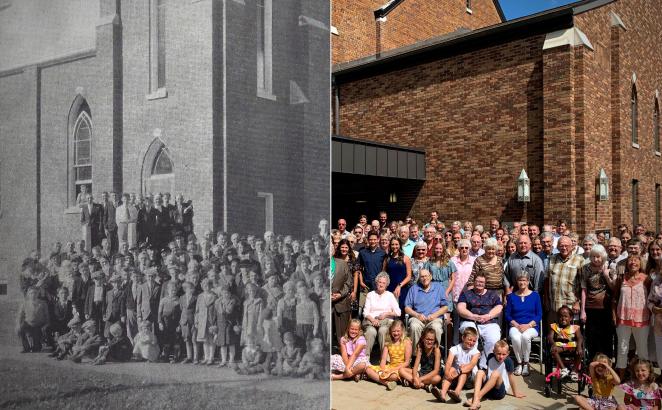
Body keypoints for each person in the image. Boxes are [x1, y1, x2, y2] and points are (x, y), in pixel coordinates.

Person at [613, 255, 651, 377]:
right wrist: (614, 316)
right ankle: (621, 376)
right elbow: (614, 299)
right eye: (630, 260)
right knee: (622, 348)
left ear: (641, 264)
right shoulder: (621, 279)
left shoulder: (647, 279)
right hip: (623, 319)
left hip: (642, 319)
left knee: (642, 350)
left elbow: (651, 298)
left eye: (636, 260)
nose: (633, 263)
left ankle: (643, 377)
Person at [457, 272, 502, 368]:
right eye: (477, 281)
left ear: (485, 283)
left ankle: (483, 365)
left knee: (494, 338)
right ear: (474, 282)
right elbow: (460, 308)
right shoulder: (466, 294)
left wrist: (488, 316)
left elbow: (499, 307)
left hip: (489, 322)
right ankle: (470, 365)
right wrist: (473, 316)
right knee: (471, 339)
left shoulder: (492, 294)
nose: (479, 284)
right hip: (470, 321)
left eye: (482, 282)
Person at [465, 340, 525, 409]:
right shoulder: (490, 357)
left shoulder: (508, 361)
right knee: (480, 372)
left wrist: (515, 392)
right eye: (498, 354)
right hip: (487, 389)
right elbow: (488, 371)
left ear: (508, 353)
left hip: (499, 391)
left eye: (503, 354)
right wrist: (481, 376)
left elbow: (511, 377)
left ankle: (476, 399)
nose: (501, 356)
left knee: (495, 373)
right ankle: (476, 399)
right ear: (494, 352)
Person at [579, 244, 615, 359]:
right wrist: (583, 311)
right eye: (593, 256)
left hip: (606, 308)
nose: (596, 259)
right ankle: (592, 363)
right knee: (592, 337)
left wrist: (606, 275)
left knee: (606, 337)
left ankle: (607, 364)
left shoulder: (609, 267)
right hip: (591, 307)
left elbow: (613, 288)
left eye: (598, 256)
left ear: (603, 256)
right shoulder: (585, 268)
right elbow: (583, 290)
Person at [505, 271, 542, 377]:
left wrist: (528, 325)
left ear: (528, 281)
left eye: (524, 280)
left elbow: (539, 314)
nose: (522, 282)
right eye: (520, 280)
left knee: (525, 337)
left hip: (531, 326)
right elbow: (507, 314)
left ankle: (526, 363)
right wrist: (516, 325)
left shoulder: (535, 296)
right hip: (515, 325)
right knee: (516, 338)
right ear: (517, 282)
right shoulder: (511, 296)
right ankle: (519, 363)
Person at [432, 326, 480, 403]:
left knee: (464, 371)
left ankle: (457, 392)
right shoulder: (455, 348)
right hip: (454, 377)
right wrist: (447, 373)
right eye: (469, 340)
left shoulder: (476, 352)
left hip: (469, 380)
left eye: (474, 341)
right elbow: (448, 363)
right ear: (463, 338)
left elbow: (470, 367)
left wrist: (458, 371)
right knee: (450, 369)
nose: (471, 343)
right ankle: (443, 394)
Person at [403, 268, 448, 348]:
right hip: (418, 318)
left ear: (430, 277)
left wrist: (434, 315)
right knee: (414, 326)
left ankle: (434, 354)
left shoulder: (438, 288)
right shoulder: (414, 289)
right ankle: (415, 355)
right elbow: (407, 308)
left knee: (436, 328)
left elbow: (445, 307)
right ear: (419, 279)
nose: (424, 278)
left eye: (426, 276)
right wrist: (417, 315)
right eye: (422, 277)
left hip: (434, 318)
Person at [545, 236, 584, 323]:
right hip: (554, 305)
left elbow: (583, 284)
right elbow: (547, 280)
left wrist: (578, 302)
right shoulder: (552, 259)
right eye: (561, 246)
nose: (564, 248)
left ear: (572, 246)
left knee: (571, 334)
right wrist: (546, 300)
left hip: (571, 306)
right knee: (554, 333)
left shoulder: (579, 260)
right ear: (558, 247)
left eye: (566, 245)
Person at [362, 272, 401, 360]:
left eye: (383, 283)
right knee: (371, 332)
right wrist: (373, 320)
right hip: (371, 322)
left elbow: (398, 312)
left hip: (386, 322)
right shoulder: (370, 295)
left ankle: (385, 359)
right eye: (379, 282)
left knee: (383, 330)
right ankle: (365, 359)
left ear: (387, 285)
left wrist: (386, 313)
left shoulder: (390, 295)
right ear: (376, 283)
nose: (381, 284)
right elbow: (365, 312)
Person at [365, 320, 412, 391]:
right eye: (394, 331)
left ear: (402, 331)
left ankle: (377, 378)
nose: (396, 333)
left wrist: (392, 370)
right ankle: (386, 383)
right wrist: (382, 369)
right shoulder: (388, 343)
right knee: (368, 369)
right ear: (390, 331)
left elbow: (407, 362)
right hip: (390, 366)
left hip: (401, 368)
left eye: (398, 331)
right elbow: (383, 360)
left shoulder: (406, 342)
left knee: (394, 376)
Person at [548, 305, 584, 380]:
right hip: (560, 346)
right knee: (553, 350)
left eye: (566, 316)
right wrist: (553, 344)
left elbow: (580, 337)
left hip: (572, 346)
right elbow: (550, 337)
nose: (563, 318)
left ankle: (574, 371)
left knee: (581, 352)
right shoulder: (554, 326)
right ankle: (564, 369)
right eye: (561, 316)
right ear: (558, 317)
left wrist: (579, 347)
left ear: (570, 318)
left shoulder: (575, 327)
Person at [451, 239, 476, 344]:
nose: (464, 249)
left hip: (469, 296)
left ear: (469, 249)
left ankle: (468, 345)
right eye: (462, 247)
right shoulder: (453, 260)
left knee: (468, 322)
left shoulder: (474, 260)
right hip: (455, 295)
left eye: (466, 247)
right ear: (459, 249)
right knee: (456, 322)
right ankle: (456, 344)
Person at [213, 283, 240, 367]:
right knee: (222, 344)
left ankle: (231, 360)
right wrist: (215, 326)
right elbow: (215, 315)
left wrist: (236, 325)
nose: (226, 295)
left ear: (230, 294)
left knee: (231, 343)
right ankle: (224, 360)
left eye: (227, 293)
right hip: (220, 325)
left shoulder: (233, 303)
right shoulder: (217, 303)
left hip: (229, 325)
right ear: (221, 293)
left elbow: (232, 314)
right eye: (224, 293)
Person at [16, 286, 49, 353]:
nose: (33, 295)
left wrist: (45, 326)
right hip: (28, 324)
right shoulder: (24, 303)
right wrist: (18, 325)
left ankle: (37, 346)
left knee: (36, 349)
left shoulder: (43, 303)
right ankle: (26, 347)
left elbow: (47, 317)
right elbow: (20, 316)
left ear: (38, 294)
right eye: (31, 293)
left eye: (35, 293)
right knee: (20, 329)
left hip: (39, 325)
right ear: (28, 294)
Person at [332, 243, 354, 343]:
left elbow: (349, 282)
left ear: (333, 250)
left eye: (332, 248)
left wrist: (340, 294)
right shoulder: (317, 264)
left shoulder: (342, 263)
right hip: (324, 304)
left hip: (341, 302)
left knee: (342, 336)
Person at [383, 237, 412, 307]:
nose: (394, 246)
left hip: (402, 288)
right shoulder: (387, 259)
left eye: (396, 244)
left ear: (400, 245)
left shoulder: (406, 258)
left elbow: (409, 276)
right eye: (392, 244)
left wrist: (399, 285)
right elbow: (383, 274)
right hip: (389, 288)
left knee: (401, 309)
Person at [158, 281, 181, 363]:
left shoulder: (179, 300)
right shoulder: (163, 300)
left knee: (176, 339)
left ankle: (176, 356)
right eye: (172, 290)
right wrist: (160, 322)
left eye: (175, 290)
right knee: (166, 338)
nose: (173, 292)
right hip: (166, 322)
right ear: (168, 290)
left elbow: (181, 313)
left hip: (175, 322)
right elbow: (159, 313)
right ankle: (165, 356)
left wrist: (179, 324)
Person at [196, 278, 218, 365]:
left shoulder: (215, 296)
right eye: (205, 285)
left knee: (211, 339)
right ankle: (206, 357)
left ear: (211, 286)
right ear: (202, 286)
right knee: (205, 340)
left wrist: (215, 322)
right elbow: (197, 310)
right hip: (202, 320)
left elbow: (217, 310)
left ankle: (211, 358)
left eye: (209, 285)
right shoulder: (200, 296)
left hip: (211, 320)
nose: (207, 287)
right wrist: (196, 321)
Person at [178, 280, 197, 364]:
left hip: (193, 320)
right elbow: (182, 309)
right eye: (190, 288)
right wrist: (181, 321)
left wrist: (196, 321)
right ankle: (189, 357)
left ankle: (196, 357)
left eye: (193, 288)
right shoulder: (181, 298)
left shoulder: (196, 298)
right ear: (186, 289)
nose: (192, 289)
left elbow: (197, 310)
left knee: (194, 339)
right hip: (184, 321)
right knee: (187, 339)